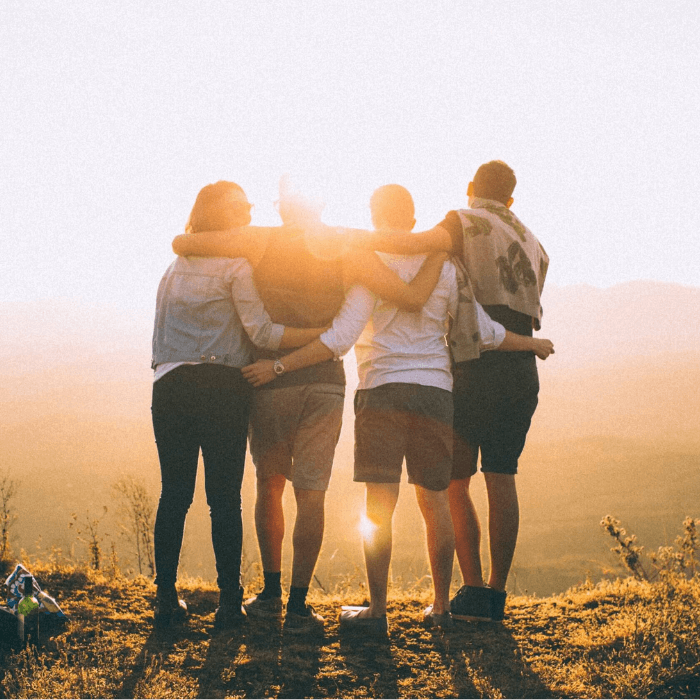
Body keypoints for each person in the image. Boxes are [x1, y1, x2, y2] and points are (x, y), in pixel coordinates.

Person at [242, 184, 553, 632]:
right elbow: (484, 331)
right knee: (436, 503)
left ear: (374, 216)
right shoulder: (445, 267)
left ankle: (377, 612)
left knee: (379, 506)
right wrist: (532, 343)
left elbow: (340, 338)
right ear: (412, 220)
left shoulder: (368, 265)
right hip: (435, 393)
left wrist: (279, 366)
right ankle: (442, 608)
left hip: (381, 390)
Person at [170, 180, 448, 634]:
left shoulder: (261, 240)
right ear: (321, 204)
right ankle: (299, 606)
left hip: (270, 380)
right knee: (312, 492)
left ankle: (271, 593)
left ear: (282, 209)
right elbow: (404, 293)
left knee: (270, 483)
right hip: (326, 381)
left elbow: (186, 242)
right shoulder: (345, 246)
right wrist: (438, 250)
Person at [346, 161, 551, 622]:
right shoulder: (535, 242)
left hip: (473, 363)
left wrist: (346, 240)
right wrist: (531, 344)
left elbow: (414, 245)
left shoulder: (463, 221)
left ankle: (471, 590)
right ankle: (494, 596)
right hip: (519, 367)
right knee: (503, 477)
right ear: (512, 199)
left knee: (451, 483)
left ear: (471, 188)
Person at [150, 181, 327, 631]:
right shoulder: (236, 267)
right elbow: (263, 335)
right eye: (241, 207)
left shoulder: (173, 269)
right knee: (223, 499)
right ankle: (229, 604)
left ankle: (166, 600)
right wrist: (319, 336)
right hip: (222, 388)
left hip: (169, 386)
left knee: (174, 495)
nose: (249, 212)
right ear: (222, 216)